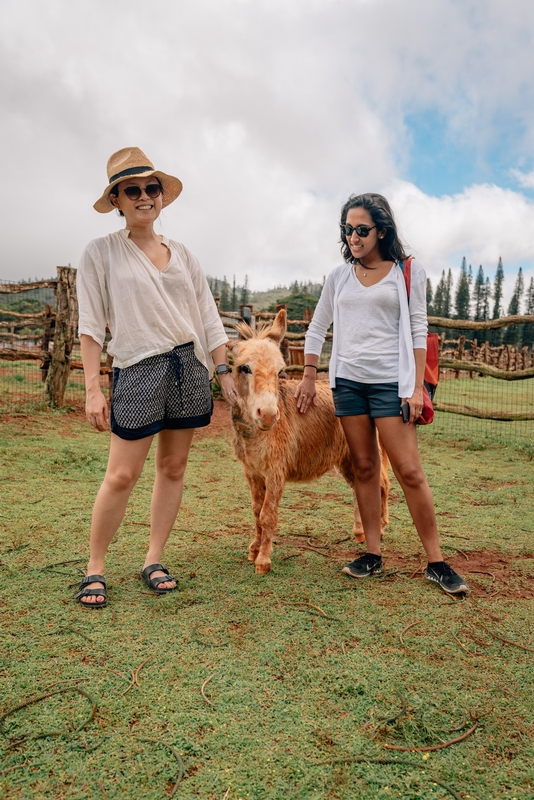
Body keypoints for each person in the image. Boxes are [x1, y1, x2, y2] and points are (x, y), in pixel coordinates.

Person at [75, 147, 238, 608]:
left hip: (188, 367)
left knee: (173, 468)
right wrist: (92, 388)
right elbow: (90, 325)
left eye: (152, 188)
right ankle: (95, 567)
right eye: (133, 190)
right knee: (122, 474)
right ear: (118, 200)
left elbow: (207, 316)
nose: (145, 196)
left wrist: (222, 370)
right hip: (138, 367)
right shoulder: (101, 253)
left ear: (161, 196)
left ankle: (154, 557)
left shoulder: (183, 254)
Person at [294, 193, 469, 595]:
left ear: (381, 231)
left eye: (361, 230)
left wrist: (414, 388)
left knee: (409, 471)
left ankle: (436, 562)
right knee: (364, 469)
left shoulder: (406, 271)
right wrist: (308, 375)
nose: (353, 237)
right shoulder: (338, 276)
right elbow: (318, 326)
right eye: (347, 230)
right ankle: (372, 554)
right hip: (348, 384)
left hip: (392, 384)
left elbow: (417, 327)